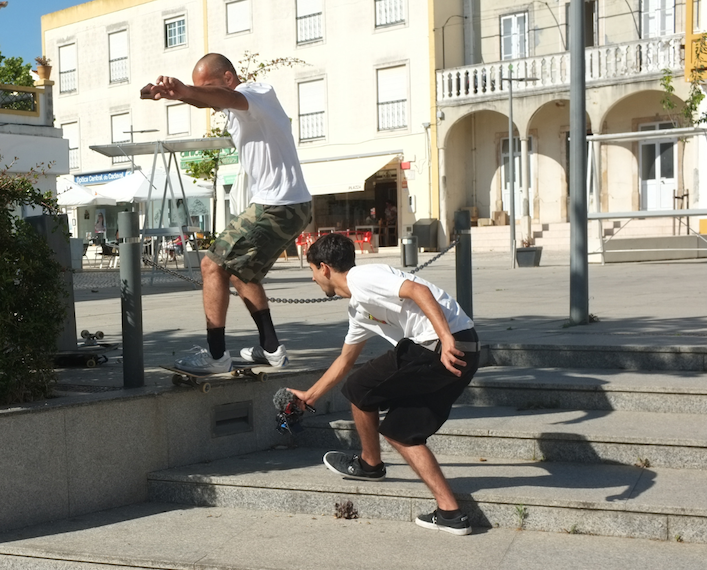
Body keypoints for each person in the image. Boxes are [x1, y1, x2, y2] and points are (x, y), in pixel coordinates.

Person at [287, 233, 479, 535]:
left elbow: (417, 290)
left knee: (359, 387)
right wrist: (309, 396)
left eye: (311, 271)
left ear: (324, 268)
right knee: (402, 432)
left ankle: (370, 464)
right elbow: (345, 361)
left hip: (440, 346)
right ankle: (451, 514)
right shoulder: (359, 309)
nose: (313, 279)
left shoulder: (363, 277)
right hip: (464, 351)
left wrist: (444, 337)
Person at [142, 53, 313, 374]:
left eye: (206, 87)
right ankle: (272, 349)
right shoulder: (236, 110)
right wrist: (176, 94)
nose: (205, 96)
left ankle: (217, 356)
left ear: (229, 77)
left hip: (278, 205)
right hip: (288, 205)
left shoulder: (256, 93)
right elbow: (210, 100)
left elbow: (225, 96)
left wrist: (188, 90)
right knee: (239, 271)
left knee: (210, 265)